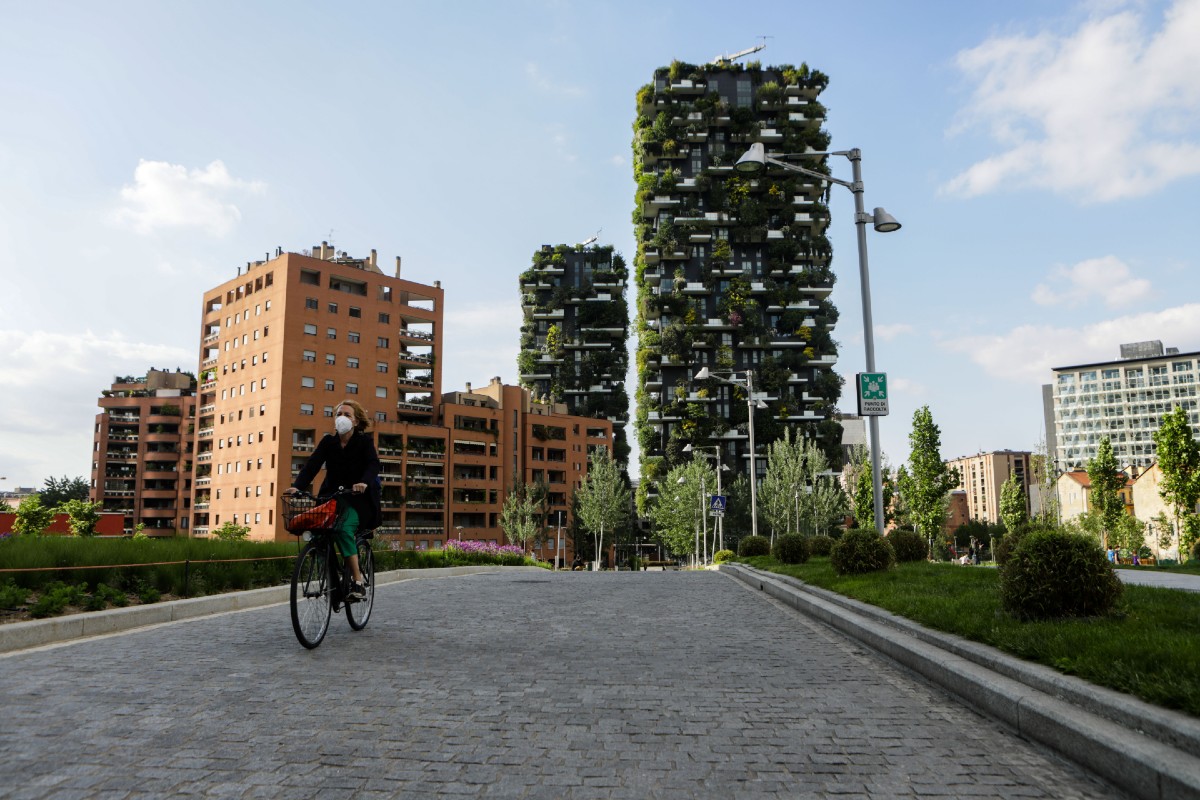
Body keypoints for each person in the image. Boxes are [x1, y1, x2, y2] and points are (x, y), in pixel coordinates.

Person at [285, 400, 380, 600]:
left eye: (347, 414)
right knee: (317, 531)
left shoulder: (364, 442)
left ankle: (357, 582)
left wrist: (363, 482)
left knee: (343, 530)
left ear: (355, 421)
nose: (342, 418)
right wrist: (298, 486)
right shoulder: (328, 442)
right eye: (338, 414)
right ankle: (329, 577)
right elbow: (312, 465)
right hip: (330, 497)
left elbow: (373, 465)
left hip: (356, 500)